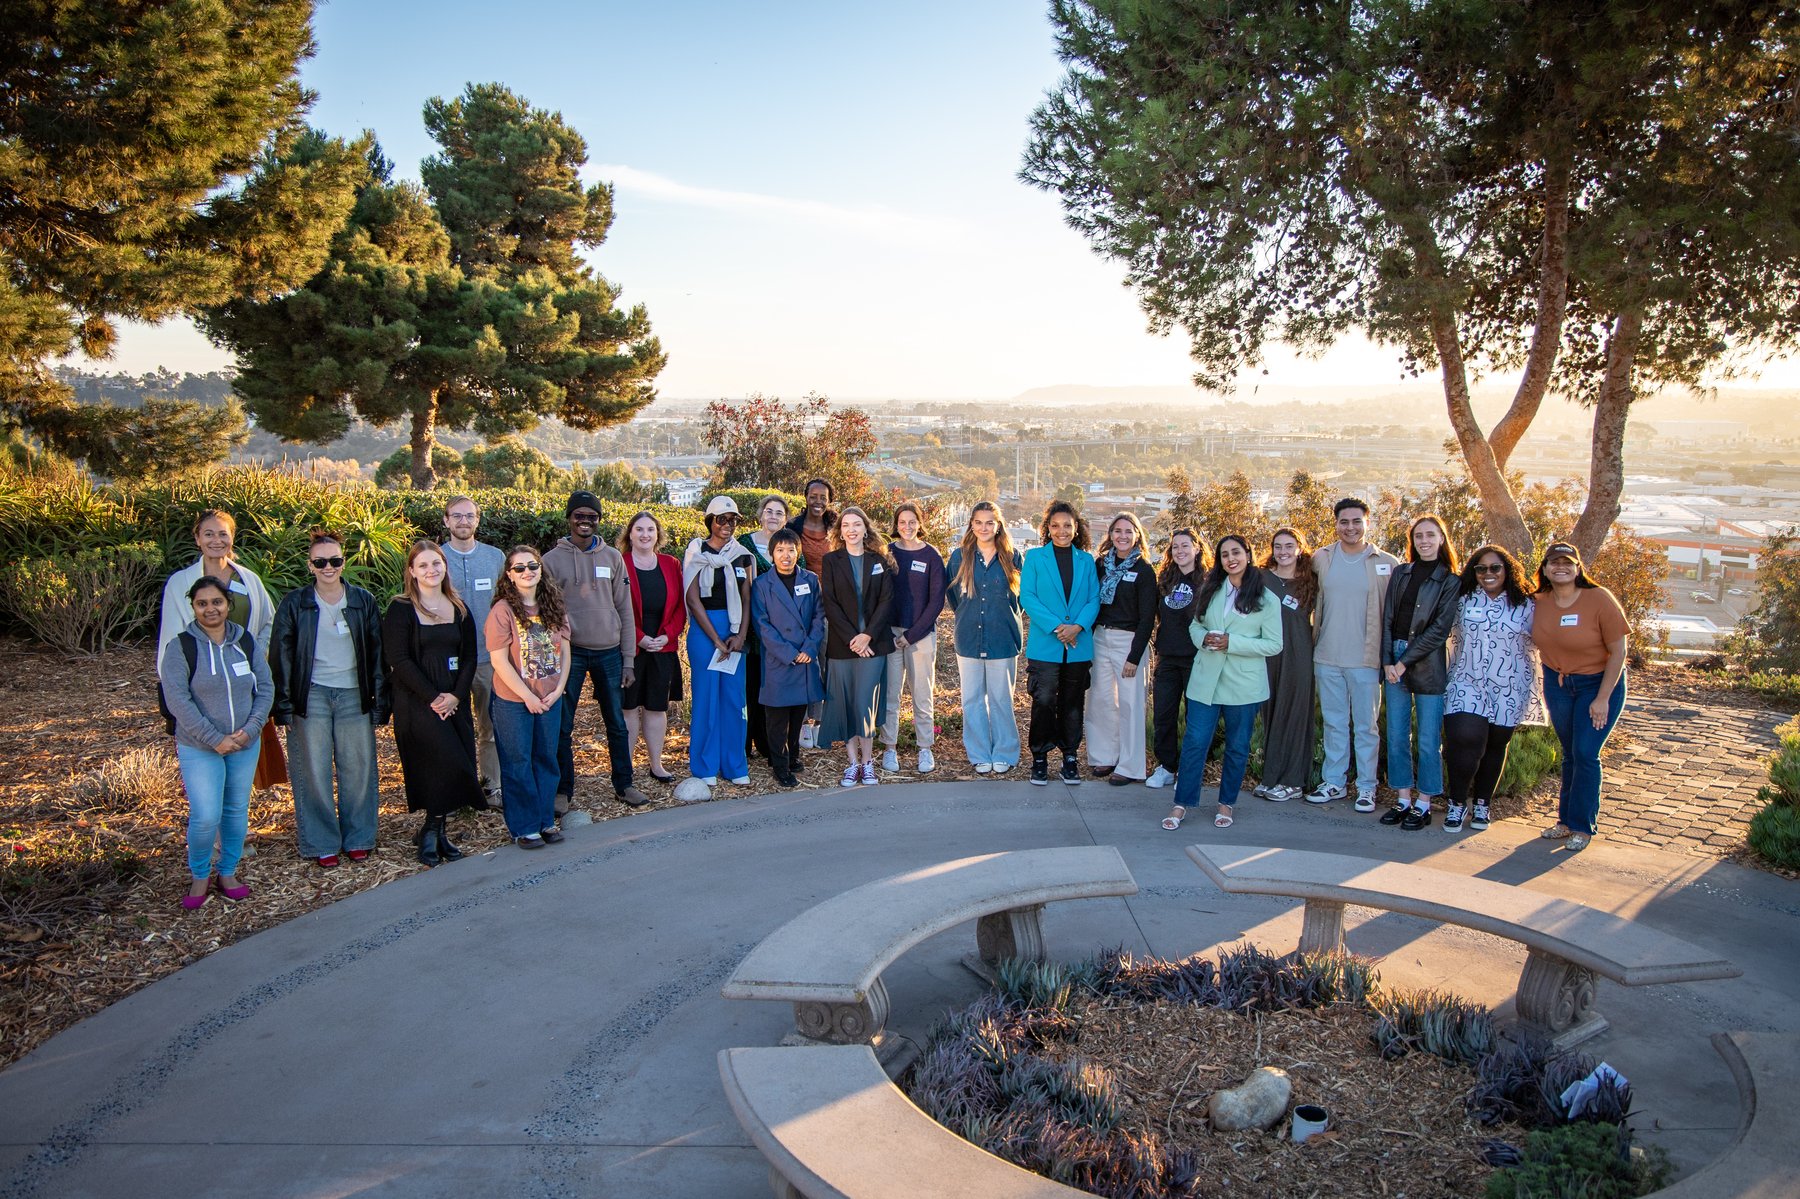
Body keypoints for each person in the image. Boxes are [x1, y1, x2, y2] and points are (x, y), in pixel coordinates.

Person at [270, 529, 388, 868]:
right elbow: (281, 655)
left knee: (358, 768)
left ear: (343, 562)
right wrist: (285, 704)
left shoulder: (362, 600)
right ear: (310, 565)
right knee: (314, 770)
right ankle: (321, 841)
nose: (328, 567)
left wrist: (380, 701)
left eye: (335, 560)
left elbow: (378, 653)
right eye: (320, 561)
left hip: (355, 693)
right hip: (313, 695)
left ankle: (358, 837)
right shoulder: (296, 603)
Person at [161, 576, 273, 909]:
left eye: (217, 602)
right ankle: (200, 875)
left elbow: (264, 689)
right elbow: (177, 700)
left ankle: (227, 872)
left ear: (228, 604)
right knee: (206, 815)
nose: (210, 609)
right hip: (200, 746)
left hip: (243, 742)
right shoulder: (181, 647)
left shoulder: (246, 641)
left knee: (236, 812)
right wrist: (214, 739)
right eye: (202, 603)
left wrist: (251, 730)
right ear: (193, 607)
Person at [158, 508, 281, 789]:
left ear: (232, 538)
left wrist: (254, 655)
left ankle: (234, 828)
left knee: (243, 770)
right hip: (203, 687)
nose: (216, 540)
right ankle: (211, 828)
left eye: (223, 534)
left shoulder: (248, 580)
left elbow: (268, 621)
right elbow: (171, 639)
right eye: (209, 534)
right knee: (207, 770)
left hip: (242, 684)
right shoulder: (180, 583)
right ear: (198, 539)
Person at [1166, 535, 1283, 831]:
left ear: (1248, 554)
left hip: (1243, 686)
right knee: (1194, 743)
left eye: (1236, 553)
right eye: (1225, 555)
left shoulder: (1266, 599)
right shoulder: (1211, 588)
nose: (1231, 559)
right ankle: (1181, 804)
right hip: (1205, 681)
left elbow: (1273, 644)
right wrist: (1203, 639)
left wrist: (1233, 642)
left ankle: (1226, 804)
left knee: (1237, 747)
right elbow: (1196, 624)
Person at [542, 490, 648, 810]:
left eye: (592, 516)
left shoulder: (613, 558)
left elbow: (625, 609)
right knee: (563, 724)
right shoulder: (550, 561)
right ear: (569, 518)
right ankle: (563, 790)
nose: (585, 521)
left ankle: (624, 784)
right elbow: (545, 613)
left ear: (598, 520)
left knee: (616, 721)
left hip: (609, 652)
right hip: (570, 652)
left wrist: (628, 659)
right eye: (579, 516)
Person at [382, 541, 482, 867]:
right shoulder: (401, 608)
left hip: (454, 698)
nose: (431, 570)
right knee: (436, 763)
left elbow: (469, 657)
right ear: (411, 571)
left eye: (436, 564)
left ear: (444, 567)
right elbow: (399, 659)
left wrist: (454, 695)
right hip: (417, 700)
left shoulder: (459, 607)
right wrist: (434, 698)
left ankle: (434, 830)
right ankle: (431, 830)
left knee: (456, 762)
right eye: (423, 565)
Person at [1532, 541, 1629, 851]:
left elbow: (1619, 652)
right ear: (1545, 569)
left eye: (1567, 562)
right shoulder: (1539, 601)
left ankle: (1583, 827)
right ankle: (1565, 822)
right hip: (1558, 684)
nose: (1560, 567)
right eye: (1554, 562)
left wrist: (1602, 698)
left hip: (1598, 685)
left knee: (1586, 753)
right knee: (1570, 754)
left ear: (1577, 568)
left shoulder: (1598, 599)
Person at [1306, 497, 1401, 812]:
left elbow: (1396, 613)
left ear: (1367, 523)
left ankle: (1366, 788)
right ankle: (1333, 782)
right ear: (1336, 523)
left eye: (1356, 521)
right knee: (1333, 723)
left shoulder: (1386, 562)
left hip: (1365, 659)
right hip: (1327, 656)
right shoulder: (1321, 558)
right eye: (1344, 521)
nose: (1350, 527)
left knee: (1366, 726)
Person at [1442, 545, 1539, 834]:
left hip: (1509, 685)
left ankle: (1483, 803)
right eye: (1481, 568)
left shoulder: (1526, 604)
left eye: (1495, 568)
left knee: (1496, 744)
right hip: (1466, 680)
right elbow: (1439, 629)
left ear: (1507, 569)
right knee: (1464, 738)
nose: (1488, 574)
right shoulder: (1462, 599)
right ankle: (1457, 803)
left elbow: (1546, 637)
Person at [1377, 515, 1462, 830]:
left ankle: (1424, 803)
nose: (1424, 541)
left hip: (1427, 663)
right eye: (1418, 536)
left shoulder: (1450, 580)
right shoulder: (1401, 573)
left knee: (1428, 738)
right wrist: (1387, 659)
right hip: (1394, 658)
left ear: (1441, 539)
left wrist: (1402, 662)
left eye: (1430, 535)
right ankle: (1403, 799)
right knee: (1397, 734)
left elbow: (1439, 630)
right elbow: (1387, 618)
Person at [485, 546, 572, 850]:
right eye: (519, 568)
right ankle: (524, 826)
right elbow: (499, 661)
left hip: (550, 698)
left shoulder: (552, 605)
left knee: (546, 759)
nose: (527, 572)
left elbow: (565, 651)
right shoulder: (502, 611)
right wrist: (527, 697)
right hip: (513, 701)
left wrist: (559, 689)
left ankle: (545, 819)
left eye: (532, 566)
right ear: (508, 575)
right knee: (517, 761)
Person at [1021, 500, 1100, 786]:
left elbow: (1094, 599)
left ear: (1077, 528)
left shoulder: (1086, 561)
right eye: (1055, 525)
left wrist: (1077, 626)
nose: (1061, 531)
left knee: (1072, 703)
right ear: (1047, 528)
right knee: (1042, 701)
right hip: (1046, 644)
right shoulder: (1034, 558)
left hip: (1078, 645)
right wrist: (1058, 627)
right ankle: (1040, 758)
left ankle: (1069, 757)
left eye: (1067, 525)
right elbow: (1027, 597)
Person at [945, 502, 1024, 775]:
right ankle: (979, 753)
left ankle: (1005, 751)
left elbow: (1020, 600)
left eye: (989, 522)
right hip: (968, 638)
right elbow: (954, 597)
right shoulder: (959, 557)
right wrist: (972, 617)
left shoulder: (1013, 557)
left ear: (998, 525)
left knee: (1002, 698)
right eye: (978, 522)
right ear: (971, 524)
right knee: (972, 699)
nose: (984, 527)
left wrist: (999, 617)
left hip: (1003, 638)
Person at [819, 505, 894, 787]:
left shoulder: (880, 560)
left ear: (865, 529)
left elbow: (887, 601)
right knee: (845, 704)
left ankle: (868, 763)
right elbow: (830, 603)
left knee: (865, 705)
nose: (851, 529)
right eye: (846, 525)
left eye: (856, 524)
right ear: (840, 531)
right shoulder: (831, 561)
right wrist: (853, 637)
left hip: (873, 646)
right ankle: (852, 763)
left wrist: (867, 637)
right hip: (842, 645)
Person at [684, 496, 756, 785]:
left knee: (734, 699)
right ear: (710, 521)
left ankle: (734, 765)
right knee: (706, 699)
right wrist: (716, 639)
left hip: (736, 630)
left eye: (733, 520)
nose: (727, 525)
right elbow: (691, 597)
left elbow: (748, 598)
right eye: (721, 519)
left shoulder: (744, 555)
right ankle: (705, 766)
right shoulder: (696, 551)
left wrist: (739, 635)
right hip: (706, 632)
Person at [1084, 512, 1159, 786]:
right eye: (1118, 531)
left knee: (1130, 704)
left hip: (1129, 642)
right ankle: (1104, 756)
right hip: (1100, 638)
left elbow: (1147, 617)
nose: (1123, 536)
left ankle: (1130, 765)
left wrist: (1135, 656)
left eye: (1128, 531)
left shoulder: (1144, 570)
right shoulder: (1100, 565)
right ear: (1110, 535)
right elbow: (1091, 603)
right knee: (1100, 700)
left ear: (1137, 535)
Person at [440, 495, 506, 805]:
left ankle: (491, 786)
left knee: (490, 727)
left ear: (477, 520)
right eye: (457, 516)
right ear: (446, 521)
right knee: (452, 729)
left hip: (487, 658)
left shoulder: (495, 558)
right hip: (447, 661)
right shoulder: (436, 559)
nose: (463, 521)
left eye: (469, 516)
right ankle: (458, 789)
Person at [750, 528, 825, 787]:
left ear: (798, 553)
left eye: (791, 550)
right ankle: (779, 765)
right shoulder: (761, 584)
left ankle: (793, 756)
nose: (786, 555)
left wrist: (810, 648)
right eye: (780, 550)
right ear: (771, 554)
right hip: (779, 661)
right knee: (777, 718)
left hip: (805, 659)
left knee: (797, 716)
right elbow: (762, 626)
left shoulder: (811, 580)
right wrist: (790, 653)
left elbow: (818, 617)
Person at [881, 501, 946, 774]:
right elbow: (879, 595)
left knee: (921, 695)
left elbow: (936, 602)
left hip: (919, 636)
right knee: (891, 695)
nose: (907, 527)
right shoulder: (887, 553)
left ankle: (924, 749)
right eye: (902, 522)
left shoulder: (931, 555)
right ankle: (889, 749)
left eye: (912, 521)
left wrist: (911, 635)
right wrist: (890, 634)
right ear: (896, 525)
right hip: (890, 636)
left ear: (920, 523)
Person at [621, 511, 685, 784]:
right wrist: (638, 637)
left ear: (658, 535)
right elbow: (615, 608)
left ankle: (656, 764)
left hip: (663, 648)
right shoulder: (619, 563)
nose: (645, 534)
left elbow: (681, 607)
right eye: (639, 529)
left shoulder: (671, 564)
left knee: (656, 708)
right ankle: (626, 767)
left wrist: (667, 635)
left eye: (650, 529)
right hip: (630, 649)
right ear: (630, 535)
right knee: (628, 707)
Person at [1254, 528, 1317, 802]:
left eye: (1289, 546)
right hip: (1269, 656)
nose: (1283, 552)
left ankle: (1293, 781)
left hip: (1299, 655)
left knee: (1294, 716)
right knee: (1272, 715)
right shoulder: (1262, 578)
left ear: (1299, 548)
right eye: (1278, 546)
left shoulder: (1311, 582)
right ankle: (1272, 777)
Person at [1148, 528, 1206, 790]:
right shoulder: (1165, 580)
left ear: (1196, 548)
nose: (1180, 551)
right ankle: (1167, 766)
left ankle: (1190, 769)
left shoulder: (1208, 581)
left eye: (1185, 546)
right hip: (1168, 657)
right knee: (1164, 714)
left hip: (1196, 658)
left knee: (1195, 717)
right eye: (1175, 547)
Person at [740, 494, 790, 764]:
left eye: (779, 513)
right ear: (760, 515)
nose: (773, 516)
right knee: (750, 689)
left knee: (771, 691)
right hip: (752, 630)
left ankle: (770, 745)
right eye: (768, 511)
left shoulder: (790, 545)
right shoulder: (745, 544)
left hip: (781, 633)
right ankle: (745, 744)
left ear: (785, 519)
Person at [786, 479, 837, 749]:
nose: (818, 501)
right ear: (805, 497)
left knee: (822, 664)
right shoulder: (793, 528)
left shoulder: (836, 528)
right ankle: (802, 724)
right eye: (813, 496)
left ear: (829, 500)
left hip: (829, 606)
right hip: (800, 605)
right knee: (802, 663)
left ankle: (819, 722)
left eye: (823, 497)